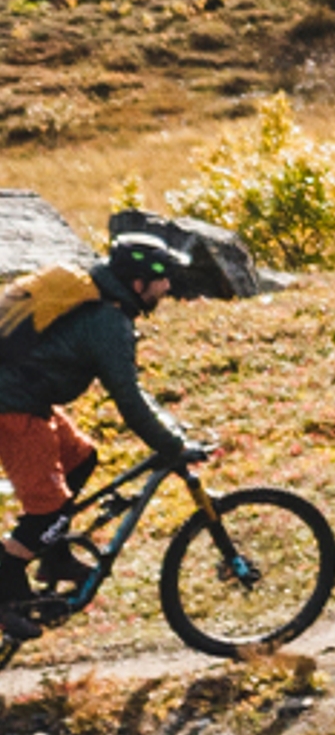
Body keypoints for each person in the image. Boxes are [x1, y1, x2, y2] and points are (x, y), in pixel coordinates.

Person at [0, 246, 197, 604]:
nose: (167, 287)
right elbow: (128, 400)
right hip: (12, 407)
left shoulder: (101, 305)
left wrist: (170, 430)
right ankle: (7, 592)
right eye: (161, 280)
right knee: (49, 511)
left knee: (80, 457)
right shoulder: (107, 321)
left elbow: (130, 388)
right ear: (138, 284)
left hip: (25, 398)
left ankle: (54, 557)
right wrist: (173, 446)